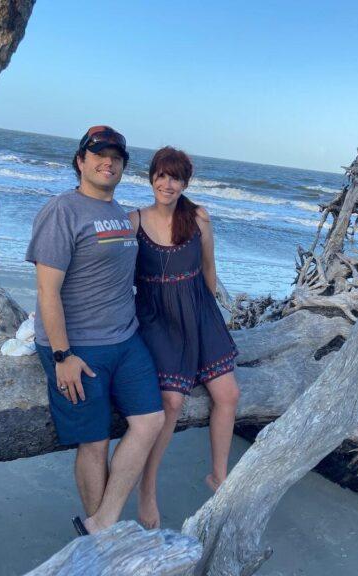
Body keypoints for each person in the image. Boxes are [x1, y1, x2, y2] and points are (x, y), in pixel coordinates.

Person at [26, 126, 165, 536]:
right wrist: (61, 356)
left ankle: (101, 523)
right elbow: (46, 291)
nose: (109, 162)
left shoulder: (120, 212)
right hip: (78, 346)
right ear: (81, 161)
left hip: (126, 340)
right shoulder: (62, 211)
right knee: (95, 440)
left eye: (117, 157)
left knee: (150, 422)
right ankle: (104, 537)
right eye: (99, 154)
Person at [131, 146, 241, 529]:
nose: (167, 183)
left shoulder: (197, 218)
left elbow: (209, 269)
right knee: (172, 402)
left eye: (174, 177)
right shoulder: (133, 221)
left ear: (184, 183)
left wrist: (210, 323)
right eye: (160, 175)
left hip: (199, 313)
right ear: (151, 178)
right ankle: (147, 489)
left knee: (228, 395)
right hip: (157, 319)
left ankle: (218, 475)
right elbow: (114, 278)